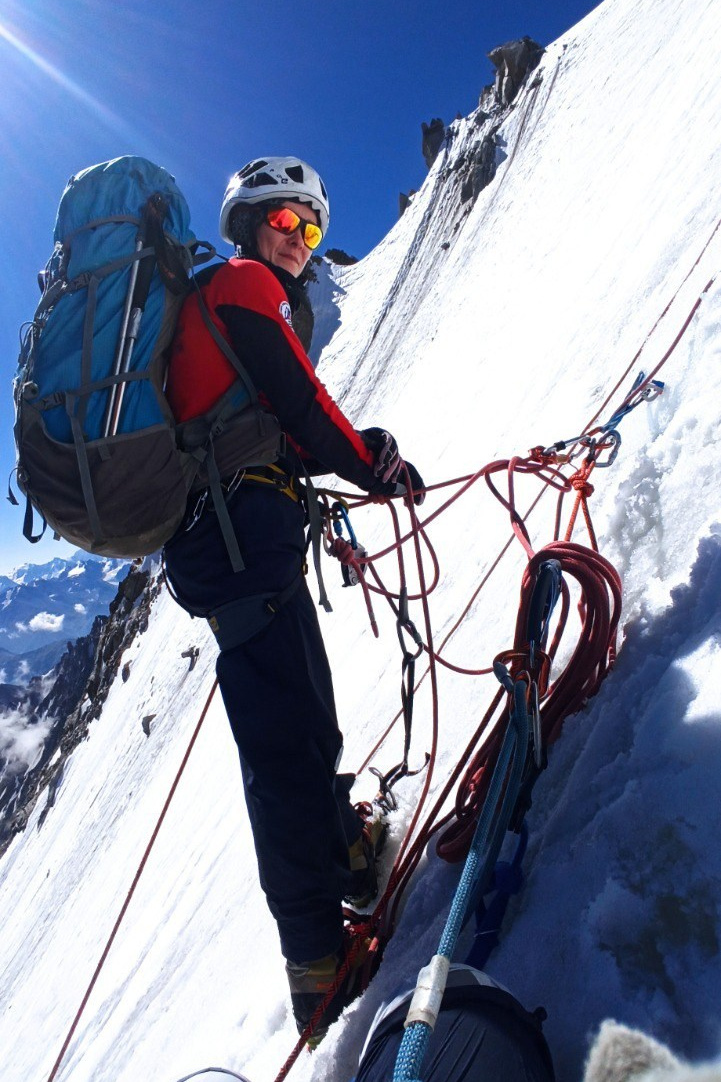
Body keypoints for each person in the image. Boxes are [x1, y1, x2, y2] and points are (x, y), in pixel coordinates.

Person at [162, 156, 424, 1040]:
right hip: (240, 540)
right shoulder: (240, 284)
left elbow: (276, 420)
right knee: (281, 747)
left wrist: (360, 449)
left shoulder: (227, 298)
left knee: (303, 723)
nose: (302, 241)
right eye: (287, 221)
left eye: (310, 228)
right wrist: (373, 462)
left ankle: (343, 859)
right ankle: (316, 962)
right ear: (247, 224)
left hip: (242, 538)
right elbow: (305, 406)